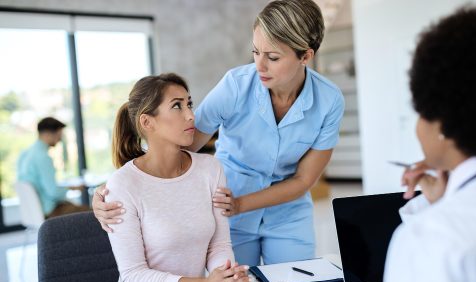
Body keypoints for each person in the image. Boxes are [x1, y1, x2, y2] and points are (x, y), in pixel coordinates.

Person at [93, 0, 344, 266]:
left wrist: (242, 203)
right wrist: (117, 188)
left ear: (305, 56)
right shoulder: (235, 86)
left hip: (288, 215)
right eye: (256, 52)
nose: (260, 65)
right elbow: (179, 148)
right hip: (226, 211)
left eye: (273, 57)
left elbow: (304, 179)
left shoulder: (329, 101)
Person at [383, 6, 476, 282]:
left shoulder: (431, 239)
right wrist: (443, 202)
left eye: (420, 112)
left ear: (443, 125)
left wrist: (443, 210)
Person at [104, 73, 250, 282]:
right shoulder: (122, 185)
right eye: (177, 106)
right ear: (147, 122)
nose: (191, 115)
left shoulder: (210, 169)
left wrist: (225, 280)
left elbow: (219, 245)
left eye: (189, 104)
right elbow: (133, 274)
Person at [17, 117, 89, 218]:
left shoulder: (24, 154)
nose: (59, 140)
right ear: (47, 134)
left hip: (33, 212)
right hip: (50, 211)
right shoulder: (43, 157)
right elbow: (53, 192)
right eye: (58, 135)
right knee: (94, 213)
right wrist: (72, 188)